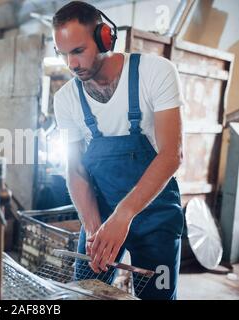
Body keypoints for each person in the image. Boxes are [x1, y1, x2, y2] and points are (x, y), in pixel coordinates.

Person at [52, 1, 185, 300]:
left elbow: (171, 154)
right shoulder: (65, 99)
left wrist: (123, 216)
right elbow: (74, 169)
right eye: (63, 54)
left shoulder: (155, 72)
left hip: (156, 216)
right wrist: (93, 225)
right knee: (84, 294)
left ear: (104, 38)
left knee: (158, 297)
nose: (71, 64)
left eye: (78, 51)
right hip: (99, 213)